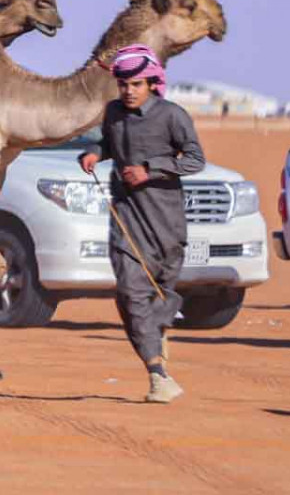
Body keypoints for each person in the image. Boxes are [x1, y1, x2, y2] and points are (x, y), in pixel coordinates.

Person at [80, 44, 205, 404]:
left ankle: (156, 330)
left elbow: (195, 159)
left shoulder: (172, 116)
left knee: (161, 295)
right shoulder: (113, 113)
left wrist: (150, 171)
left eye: (135, 84)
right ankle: (157, 374)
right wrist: (94, 154)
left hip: (166, 222)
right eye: (123, 84)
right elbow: (109, 143)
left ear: (151, 83)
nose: (129, 91)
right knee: (131, 294)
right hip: (126, 219)